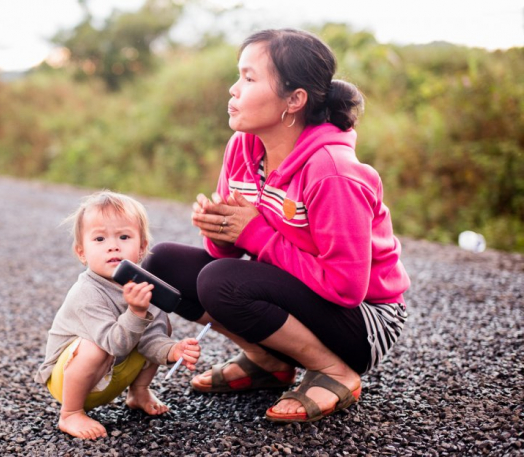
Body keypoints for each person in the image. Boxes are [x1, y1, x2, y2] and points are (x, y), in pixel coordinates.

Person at [142, 28, 410, 423]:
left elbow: (346, 287)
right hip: (299, 293)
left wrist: (253, 234)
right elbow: (228, 255)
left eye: (249, 79)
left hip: (364, 321)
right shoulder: (243, 148)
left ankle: (335, 371)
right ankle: (267, 362)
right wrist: (221, 230)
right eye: (239, 75)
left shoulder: (332, 172)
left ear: (294, 100)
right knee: (162, 264)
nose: (234, 89)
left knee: (221, 281)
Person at [34, 191, 202, 439]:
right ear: (81, 252)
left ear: (142, 247)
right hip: (70, 380)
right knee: (95, 346)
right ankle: (70, 414)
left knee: (161, 323)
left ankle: (139, 392)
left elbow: (150, 339)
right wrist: (136, 311)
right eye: (99, 239)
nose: (113, 245)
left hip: (114, 373)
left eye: (124, 237)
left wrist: (172, 350)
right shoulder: (86, 292)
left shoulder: (145, 287)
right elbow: (113, 343)